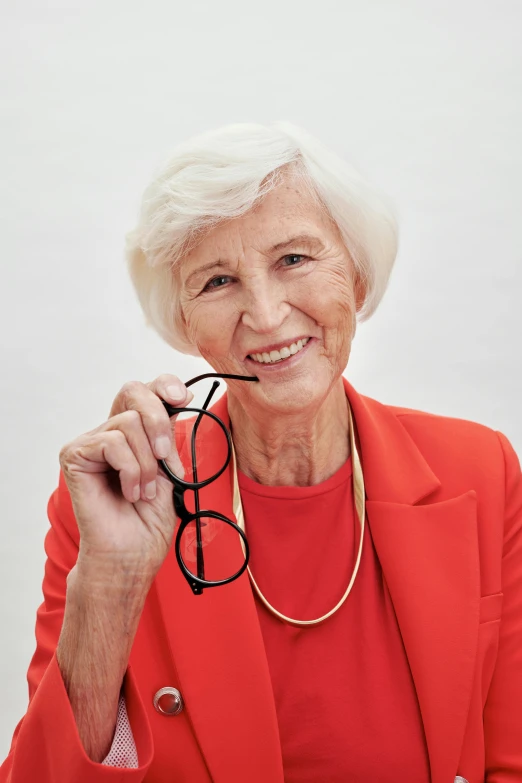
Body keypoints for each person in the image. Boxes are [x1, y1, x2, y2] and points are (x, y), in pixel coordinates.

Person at [1, 122, 520, 783]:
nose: (268, 314)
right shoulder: (114, 498)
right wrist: (110, 585)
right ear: (186, 325)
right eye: (218, 281)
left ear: (356, 277)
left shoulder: (479, 470)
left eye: (294, 260)